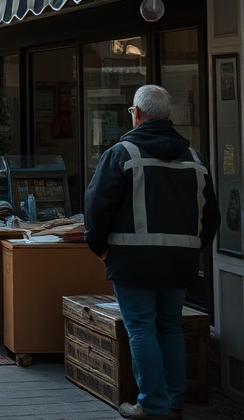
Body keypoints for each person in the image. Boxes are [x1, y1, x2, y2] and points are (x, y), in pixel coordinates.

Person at [85, 85, 219, 420]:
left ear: (136, 113)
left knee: (142, 328)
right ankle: (175, 403)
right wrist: (191, 247)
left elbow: (97, 206)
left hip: (133, 260)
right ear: (168, 116)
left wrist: (100, 248)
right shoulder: (195, 159)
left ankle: (151, 404)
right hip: (180, 262)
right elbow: (211, 216)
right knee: (170, 326)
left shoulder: (122, 153)